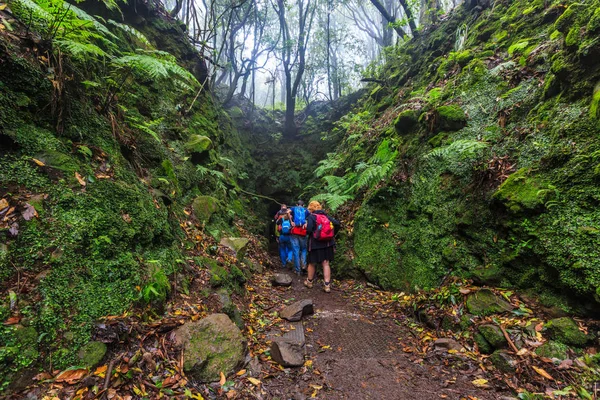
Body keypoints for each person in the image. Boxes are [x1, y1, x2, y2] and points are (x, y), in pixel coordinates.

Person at [304, 200, 340, 293]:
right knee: (326, 263)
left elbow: (308, 230)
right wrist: (332, 234)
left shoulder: (311, 217)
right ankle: (327, 285)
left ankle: (309, 282)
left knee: (312, 263)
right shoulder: (326, 216)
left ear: (311, 209)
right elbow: (337, 223)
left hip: (315, 244)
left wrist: (308, 229)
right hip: (328, 243)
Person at [290, 200, 310, 275]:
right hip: (303, 232)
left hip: (294, 232)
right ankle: (304, 265)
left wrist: (291, 221)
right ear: (303, 205)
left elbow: (287, 212)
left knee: (296, 250)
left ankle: (298, 270)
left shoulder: (293, 208)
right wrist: (306, 223)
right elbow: (309, 217)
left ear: (297, 204)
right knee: (304, 250)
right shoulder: (306, 210)